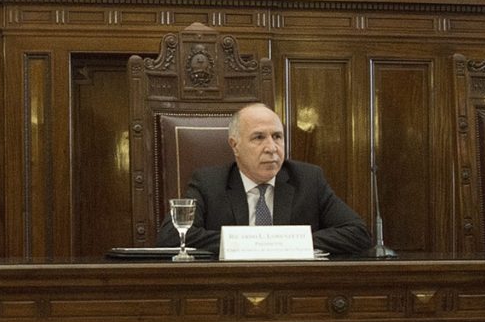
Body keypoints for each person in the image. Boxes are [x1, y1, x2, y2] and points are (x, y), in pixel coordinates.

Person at [156, 103, 372, 254]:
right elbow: (171, 236)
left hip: (293, 286)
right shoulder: (209, 183)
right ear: (235, 145)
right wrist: (249, 243)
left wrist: (288, 243)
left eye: (277, 136)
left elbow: (358, 233)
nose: (272, 148)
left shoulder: (308, 179)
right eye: (259, 137)